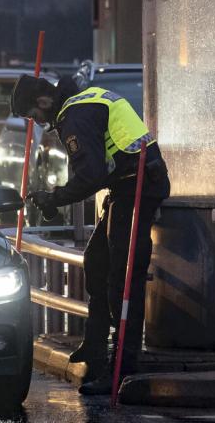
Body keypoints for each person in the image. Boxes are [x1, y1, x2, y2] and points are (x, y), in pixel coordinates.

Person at [9, 74, 170, 396]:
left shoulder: (75, 117)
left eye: (33, 115)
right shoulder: (84, 101)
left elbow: (91, 175)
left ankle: (122, 366)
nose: (37, 122)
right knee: (96, 261)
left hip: (138, 187)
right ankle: (95, 343)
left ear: (43, 101)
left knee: (123, 279)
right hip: (127, 184)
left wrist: (54, 198)